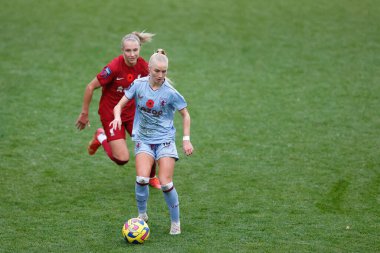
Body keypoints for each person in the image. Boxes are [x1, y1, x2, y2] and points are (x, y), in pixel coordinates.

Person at [110, 50, 193, 235]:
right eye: (157, 71)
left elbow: (185, 115)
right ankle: (142, 215)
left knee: (165, 183)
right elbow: (119, 105)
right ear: (149, 68)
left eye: (164, 72)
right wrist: (117, 117)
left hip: (164, 141)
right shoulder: (138, 85)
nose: (161, 75)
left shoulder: (171, 92)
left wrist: (186, 140)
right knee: (141, 179)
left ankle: (175, 222)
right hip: (144, 140)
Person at [75, 31, 160, 189]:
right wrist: (84, 113)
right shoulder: (113, 67)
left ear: (140, 49)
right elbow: (90, 86)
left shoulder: (143, 66)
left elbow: (155, 85)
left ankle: (151, 177)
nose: (132, 54)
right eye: (128, 50)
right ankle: (101, 136)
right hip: (111, 113)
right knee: (122, 159)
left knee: (150, 142)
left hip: (133, 112)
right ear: (122, 50)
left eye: (135, 50)